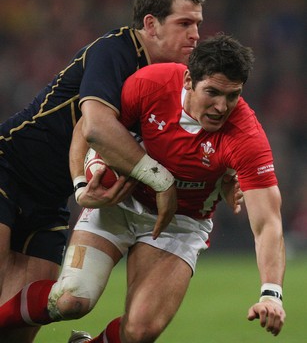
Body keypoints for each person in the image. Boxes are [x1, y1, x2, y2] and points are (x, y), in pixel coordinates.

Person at [0, 34, 285, 342]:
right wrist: (84, 179)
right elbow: (91, 124)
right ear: (189, 80)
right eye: (212, 92)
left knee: (140, 332)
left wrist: (271, 293)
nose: (221, 106)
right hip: (120, 203)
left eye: (232, 96)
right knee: (71, 299)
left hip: (181, 224)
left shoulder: (246, 136)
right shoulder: (151, 84)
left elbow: (267, 222)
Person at [0, 0, 206, 343]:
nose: (195, 35)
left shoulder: (177, 84)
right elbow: (95, 126)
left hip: (50, 203)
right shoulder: (117, 49)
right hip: (8, 167)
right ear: (150, 25)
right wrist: (161, 181)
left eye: (198, 25)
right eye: (184, 23)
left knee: (21, 331)